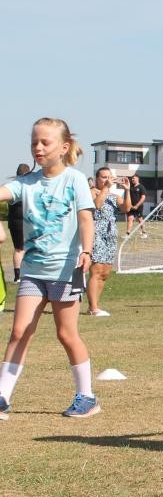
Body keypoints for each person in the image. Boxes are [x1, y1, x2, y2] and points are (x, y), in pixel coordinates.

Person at [0, 118, 100, 420]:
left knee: (66, 334)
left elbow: (86, 219)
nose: (38, 147)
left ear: (64, 147)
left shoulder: (75, 180)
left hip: (65, 270)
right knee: (19, 331)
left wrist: (86, 251)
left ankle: (87, 397)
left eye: (45, 142)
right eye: (34, 142)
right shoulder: (25, 182)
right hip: (33, 269)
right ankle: (2, 395)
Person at [87, 168, 132, 317]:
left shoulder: (113, 196)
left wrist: (127, 191)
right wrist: (105, 187)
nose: (107, 180)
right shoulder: (92, 192)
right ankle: (93, 307)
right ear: (97, 178)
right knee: (96, 270)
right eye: (103, 177)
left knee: (105, 272)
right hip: (96, 234)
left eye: (109, 177)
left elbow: (126, 208)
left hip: (110, 235)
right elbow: (97, 205)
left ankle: (95, 305)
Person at [7, 163, 30, 281]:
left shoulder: (11, 186)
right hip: (24, 221)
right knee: (23, 249)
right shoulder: (26, 186)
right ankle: (22, 274)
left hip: (13, 221)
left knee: (18, 249)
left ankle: (17, 276)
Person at [125, 174, 145, 238]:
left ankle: (144, 232)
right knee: (130, 218)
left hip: (139, 206)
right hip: (130, 206)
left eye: (134, 178)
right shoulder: (130, 187)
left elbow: (143, 197)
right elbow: (127, 195)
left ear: (137, 179)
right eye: (132, 178)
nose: (133, 179)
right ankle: (128, 234)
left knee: (139, 219)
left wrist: (137, 205)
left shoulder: (141, 187)